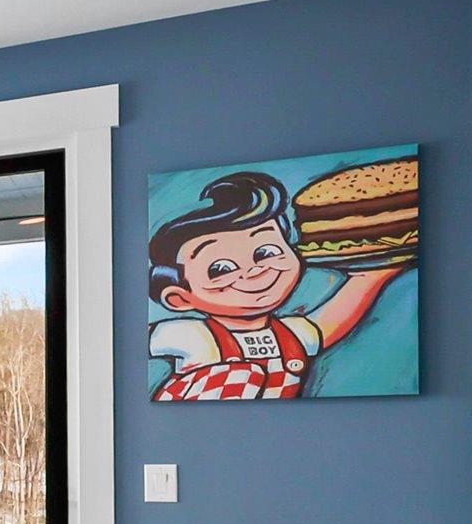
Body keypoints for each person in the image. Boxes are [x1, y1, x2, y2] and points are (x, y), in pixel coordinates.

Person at [147, 170, 407, 401]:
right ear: (180, 298)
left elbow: (336, 314)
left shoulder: (293, 334)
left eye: (267, 251)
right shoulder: (190, 336)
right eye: (221, 269)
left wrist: (380, 268)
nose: (255, 270)